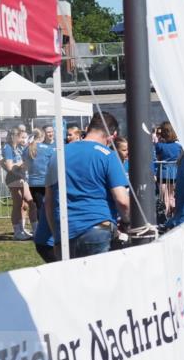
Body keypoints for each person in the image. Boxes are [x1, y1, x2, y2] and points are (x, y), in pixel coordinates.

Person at [43, 111, 131, 259]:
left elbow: (49, 201)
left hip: (66, 232)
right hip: (98, 229)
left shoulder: (58, 154)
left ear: (88, 128)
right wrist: (129, 222)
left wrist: (57, 237)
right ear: (112, 136)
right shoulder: (107, 155)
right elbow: (122, 200)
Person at [0, 126, 33, 240]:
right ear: (15, 137)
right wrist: (23, 162)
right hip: (13, 178)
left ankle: (22, 229)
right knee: (18, 204)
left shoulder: (18, 147)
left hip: (21, 177)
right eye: (20, 136)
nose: (22, 139)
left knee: (25, 203)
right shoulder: (8, 148)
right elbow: (9, 166)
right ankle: (17, 232)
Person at [22, 129, 55, 227]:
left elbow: (25, 164)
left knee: (38, 206)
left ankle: (40, 227)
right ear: (43, 136)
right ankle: (46, 227)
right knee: (48, 206)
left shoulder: (26, 149)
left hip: (32, 182)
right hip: (46, 181)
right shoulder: (48, 149)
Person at [154, 121, 181, 218]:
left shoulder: (160, 146)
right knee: (172, 196)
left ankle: (165, 216)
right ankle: (174, 214)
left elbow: (156, 157)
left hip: (163, 173)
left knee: (164, 197)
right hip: (174, 173)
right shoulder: (178, 146)